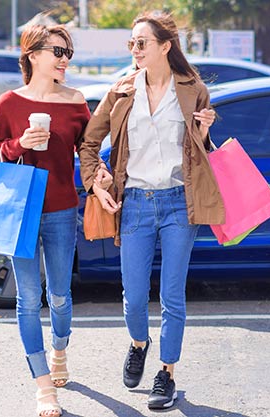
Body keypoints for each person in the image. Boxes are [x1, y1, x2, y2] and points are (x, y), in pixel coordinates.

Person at [78, 11, 222, 410]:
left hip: (180, 201)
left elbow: (202, 153)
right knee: (134, 295)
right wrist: (97, 182)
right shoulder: (121, 90)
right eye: (131, 43)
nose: (135, 50)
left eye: (142, 43)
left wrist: (205, 134)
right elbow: (89, 145)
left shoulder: (192, 89)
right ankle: (139, 342)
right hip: (136, 203)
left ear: (165, 46)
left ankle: (167, 372)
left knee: (173, 295)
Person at [0, 25, 90, 417]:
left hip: (62, 210)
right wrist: (19, 145)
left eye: (68, 53)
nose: (65, 60)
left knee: (59, 297)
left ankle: (60, 347)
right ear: (33, 54)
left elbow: (89, 151)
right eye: (58, 51)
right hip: (21, 209)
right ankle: (44, 387)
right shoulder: (8, 103)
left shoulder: (76, 101)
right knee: (28, 299)